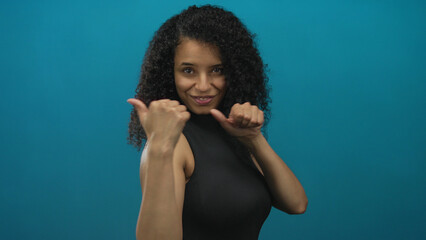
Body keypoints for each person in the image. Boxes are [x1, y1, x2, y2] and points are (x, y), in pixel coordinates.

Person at [126, 5, 308, 240]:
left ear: (234, 71)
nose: (203, 85)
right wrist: (160, 146)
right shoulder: (172, 143)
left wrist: (254, 139)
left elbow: (296, 204)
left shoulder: (233, 130)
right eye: (188, 70)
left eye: (217, 70)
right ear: (169, 72)